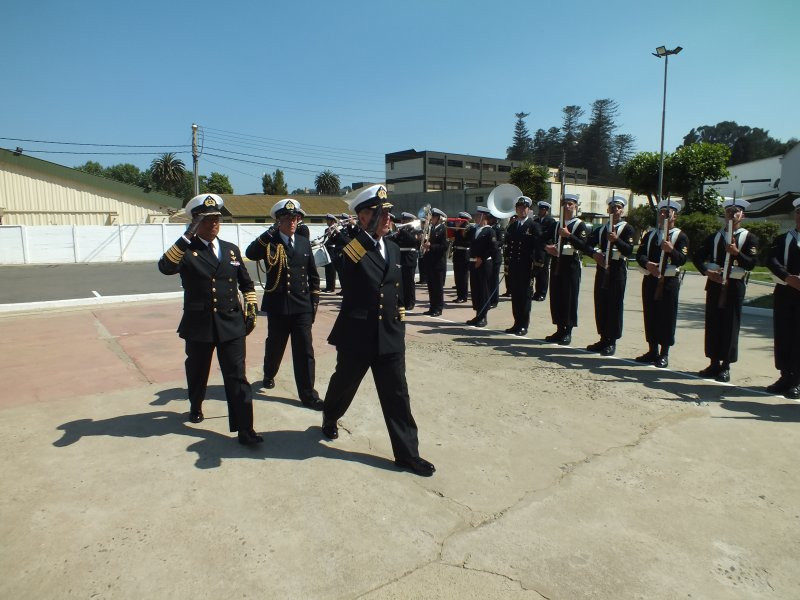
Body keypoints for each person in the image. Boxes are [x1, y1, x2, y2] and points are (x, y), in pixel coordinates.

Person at [321, 184, 435, 477]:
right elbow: (344, 268)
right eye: (379, 213)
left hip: (389, 335)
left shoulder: (394, 247)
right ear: (362, 216)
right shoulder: (349, 246)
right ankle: (330, 416)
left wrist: (399, 316)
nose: (387, 218)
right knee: (343, 385)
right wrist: (366, 233)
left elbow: (394, 290)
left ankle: (408, 454)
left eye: (388, 212)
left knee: (398, 395)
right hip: (357, 335)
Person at [157, 193, 262, 446]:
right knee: (197, 370)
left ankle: (245, 429)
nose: (214, 224)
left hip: (231, 323)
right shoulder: (186, 250)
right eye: (206, 220)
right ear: (195, 222)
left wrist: (250, 306)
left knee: (237, 376)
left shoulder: (231, 250)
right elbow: (165, 267)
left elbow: (247, 284)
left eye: (216, 219)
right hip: (199, 324)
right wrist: (186, 237)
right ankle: (195, 404)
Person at [245, 199, 323, 410]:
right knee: (275, 345)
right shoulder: (270, 243)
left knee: (305, 350)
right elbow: (250, 253)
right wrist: (268, 233)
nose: (292, 222)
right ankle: (269, 373)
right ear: (278, 221)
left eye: (295, 218)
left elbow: (313, 276)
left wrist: (313, 303)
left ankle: (308, 394)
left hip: (301, 306)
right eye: (288, 218)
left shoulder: (304, 242)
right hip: (278, 305)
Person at [693, 198, 759, 382]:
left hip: (734, 286)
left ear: (742, 216)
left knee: (730, 325)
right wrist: (707, 271)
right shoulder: (715, 237)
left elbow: (752, 264)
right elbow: (698, 257)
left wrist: (737, 253)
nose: (731, 214)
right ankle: (713, 362)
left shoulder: (748, 237)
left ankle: (725, 366)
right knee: (713, 323)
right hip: (715, 284)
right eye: (728, 211)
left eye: (736, 211)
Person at [635, 199, 689, 368]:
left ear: (675, 216)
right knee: (650, 314)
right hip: (651, 278)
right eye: (661, 212)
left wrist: (671, 250)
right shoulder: (651, 234)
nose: (664, 215)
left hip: (669, 281)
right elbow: (640, 255)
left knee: (667, 316)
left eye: (668, 212)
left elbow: (682, 259)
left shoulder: (680, 236)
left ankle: (664, 353)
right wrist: (648, 264)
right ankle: (652, 350)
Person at [585, 196, 636, 356]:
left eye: (619, 207)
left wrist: (616, 240)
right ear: (608, 210)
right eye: (612, 207)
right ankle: (603, 337)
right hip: (602, 268)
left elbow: (628, 250)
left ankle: (612, 340)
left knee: (614, 305)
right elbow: (587, 244)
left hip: (617, 270)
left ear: (623, 210)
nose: (615, 210)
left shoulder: (627, 229)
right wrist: (594, 254)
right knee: (601, 303)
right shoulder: (601, 228)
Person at [544, 194, 592, 345]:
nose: (567, 206)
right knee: (557, 297)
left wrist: (569, 235)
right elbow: (545, 238)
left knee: (569, 298)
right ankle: (559, 328)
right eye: (565, 203)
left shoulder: (579, 225)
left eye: (571, 204)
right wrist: (547, 247)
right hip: (557, 264)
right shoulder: (557, 224)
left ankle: (568, 330)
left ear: (576, 206)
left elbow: (583, 245)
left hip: (571, 266)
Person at [765, 198, 800, 399]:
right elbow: (770, 260)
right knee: (784, 335)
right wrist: (787, 277)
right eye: (798, 213)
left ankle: (797, 380)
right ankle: (785, 376)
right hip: (785, 294)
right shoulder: (782, 239)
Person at [503, 196, 544, 336]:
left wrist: (537, 266)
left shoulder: (534, 226)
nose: (521, 210)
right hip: (515, 266)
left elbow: (539, 248)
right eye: (519, 208)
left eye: (524, 208)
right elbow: (508, 247)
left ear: (529, 209)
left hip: (527, 267)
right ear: (516, 209)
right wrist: (507, 264)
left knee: (525, 297)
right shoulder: (513, 226)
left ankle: (523, 325)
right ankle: (516, 323)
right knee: (515, 296)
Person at [466, 206, 497, 328]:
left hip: (484, 264)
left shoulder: (490, 231)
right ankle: (478, 314)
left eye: (478, 215)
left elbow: (492, 248)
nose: (475, 217)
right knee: (476, 290)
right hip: (474, 262)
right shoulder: (475, 230)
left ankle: (484, 316)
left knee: (484, 290)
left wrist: (482, 258)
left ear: (484, 216)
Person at [387, 212, 421, 310]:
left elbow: (413, 241)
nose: (402, 222)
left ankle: (410, 302)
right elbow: (395, 241)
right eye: (402, 220)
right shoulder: (401, 231)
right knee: (401, 282)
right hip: (400, 258)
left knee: (409, 282)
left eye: (404, 220)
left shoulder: (415, 230)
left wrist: (402, 231)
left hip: (409, 258)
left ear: (410, 221)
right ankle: (402, 301)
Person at [422, 208, 448, 316]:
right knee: (431, 286)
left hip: (438, 262)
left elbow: (444, 246)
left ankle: (438, 308)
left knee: (437, 287)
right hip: (430, 261)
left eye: (432, 217)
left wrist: (431, 246)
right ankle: (432, 307)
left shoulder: (443, 229)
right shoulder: (430, 228)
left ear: (437, 218)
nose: (430, 219)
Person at [532, 201, 556, 301]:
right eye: (540, 209)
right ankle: (537, 292)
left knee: (543, 272)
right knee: (536, 271)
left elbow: (548, 235)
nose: (540, 211)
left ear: (546, 210)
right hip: (536, 249)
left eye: (543, 209)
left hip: (545, 249)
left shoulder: (551, 221)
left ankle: (542, 293)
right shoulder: (536, 220)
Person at [452, 211, 473, 303]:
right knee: (457, 276)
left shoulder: (469, 229)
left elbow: (469, 242)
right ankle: (459, 295)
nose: (458, 221)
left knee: (463, 277)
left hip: (464, 253)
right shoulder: (458, 229)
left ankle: (463, 296)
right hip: (457, 253)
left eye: (461, 219)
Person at [488, 214, 505, 308]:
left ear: (495, 219)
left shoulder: (500, 229)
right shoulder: (488, 228)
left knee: (494, 280)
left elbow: (501, 242)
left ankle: (494, 301)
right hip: (488, 257)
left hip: (495, 257)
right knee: (488, 279)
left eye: (490, 218)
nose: (489, 220)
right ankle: (488, 298)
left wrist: (491, 244)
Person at [322, 213, 340, 293]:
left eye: (328, 220)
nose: (327, 222)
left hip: (333, 250)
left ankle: (331, 287)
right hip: (327, 250)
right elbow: (325, 240)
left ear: (332, 221)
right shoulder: (326, 230)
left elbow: (336, 240)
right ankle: (327, 286)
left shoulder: (337, 229)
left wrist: (331, 234)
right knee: (327, 269)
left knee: (332, 269)